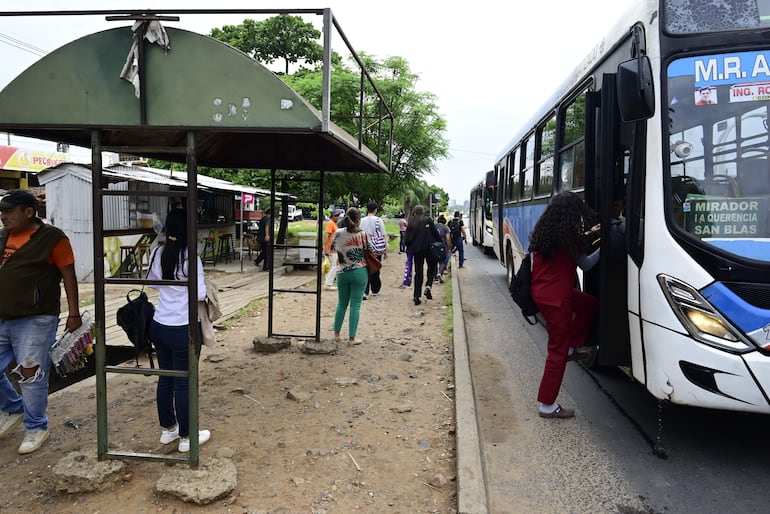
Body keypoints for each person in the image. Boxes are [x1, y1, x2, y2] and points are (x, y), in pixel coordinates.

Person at [0, 189, 81, 454]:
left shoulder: (52, 239)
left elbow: (68, 275)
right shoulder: (3, 237)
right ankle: (13, 409)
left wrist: (73, 313)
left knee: (31, 375)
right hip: (3, 315)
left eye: (9, 212)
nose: (3, 217)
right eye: (2, 212)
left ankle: (36, 427)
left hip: (35, 319)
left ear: (29, 212)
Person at [528, 192, 600, 419]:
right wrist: (605, 246)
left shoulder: (544, 233)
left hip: (544, 293)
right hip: (559, 299)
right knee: (556, 354)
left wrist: (590, 235)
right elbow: (587, 265)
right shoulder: (569, 238)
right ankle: (547, 405)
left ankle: (572, 345)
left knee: (589, 305)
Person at [147, 209, 211, 452]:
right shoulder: (190, 258)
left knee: (166, 378)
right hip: (183, 326)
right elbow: (201, 294)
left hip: (160, 324)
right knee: (184, 383)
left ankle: (169, 429)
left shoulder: (158, 252)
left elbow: (153, 284)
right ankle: (186, 437)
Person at [330, 207, 372, 346]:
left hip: (342, 272)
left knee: (341, 303)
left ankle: (336, 334)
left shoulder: (338, 232)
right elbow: (370, 249)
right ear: (358, 220)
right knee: (355, 305)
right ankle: (352, 338)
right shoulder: (362, 234)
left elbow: (332, 248)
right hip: (359, 272)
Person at [404, 205, 440, 305]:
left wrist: (409, 247)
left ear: (414, 212)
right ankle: (428, 286)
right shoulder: (428, 220)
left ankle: (416, 295)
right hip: (429, 249)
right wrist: (440, 244)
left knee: (418, 272)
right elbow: (436, 234)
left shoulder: (411, 221)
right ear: (423, 212)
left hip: (417, 250)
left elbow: (406, 238)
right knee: (432, 268)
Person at [359, 201, 387, 300]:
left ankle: (365, 291)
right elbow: (383, 234)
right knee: (375, 266)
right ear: (375, 210)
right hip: (375, 247)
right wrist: (385, 250)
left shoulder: (361, 220)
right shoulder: (378, 220)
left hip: (364, 246)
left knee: (365, 268)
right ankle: (375, 289)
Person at [323, 209, 344, 290]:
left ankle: (327, 282)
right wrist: (326, 249)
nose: (338, 217)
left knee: (330, 266)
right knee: (334, 266)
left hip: (333, 248)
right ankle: (328, 284)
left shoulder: (333, 224)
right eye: (337, 216)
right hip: (331, 249)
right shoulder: (330, 223)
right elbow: (327, 236)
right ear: (334, 216)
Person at [434, 214, 452, 283]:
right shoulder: (446, 228)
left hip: (434, 246)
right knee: (442, 261)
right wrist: (449, 248)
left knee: (434, 261)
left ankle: (435, 277)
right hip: (442, 246)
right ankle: (440, 273)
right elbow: (448, 239)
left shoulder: (434, 226)